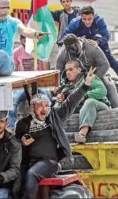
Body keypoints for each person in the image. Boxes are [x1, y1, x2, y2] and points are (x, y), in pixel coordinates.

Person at [13, 67, 96, 199]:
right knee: (15, 186)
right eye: (40, 105)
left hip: (49, 162)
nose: (44, 108)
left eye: (46, 105)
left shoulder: (54, 117)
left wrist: (85, 85)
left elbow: (70, 103)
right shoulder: (23, 124)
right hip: (27, 162)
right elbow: (14, 145)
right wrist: (21, 143)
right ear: (32, 107)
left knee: (32, 175)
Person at [60, 6, 118, 89]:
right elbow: (64, 36)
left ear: (94, 16)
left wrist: (98, 42)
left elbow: (106, 36)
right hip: (82, 46)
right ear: (80, 17)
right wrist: (75, 42)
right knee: (76, 64)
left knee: (111, 61)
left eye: (90, 19)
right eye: (84, 19)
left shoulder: (99, 21)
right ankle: (71, 84)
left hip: (99, 44)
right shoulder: (75, 23)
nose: (87, 22)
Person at [56, 33, 118, 108]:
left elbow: (105, 65)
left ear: (77, 43)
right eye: (71, 52)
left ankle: (117, 109)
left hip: (95, 75)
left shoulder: (92, 48)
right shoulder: (63, 52)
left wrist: (93, 79)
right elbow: (58, 70)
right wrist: (60, 84)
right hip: (75, 79)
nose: (74, 53)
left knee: (109, 85)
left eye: (75, 50)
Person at [54, 61, 110, 143]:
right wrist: (59, 101)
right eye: (66, 70)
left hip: (100, 106)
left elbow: (102, 91)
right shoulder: (65, 88)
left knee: (89, 102)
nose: (68, 72)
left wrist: (84, 96)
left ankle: (82, 134)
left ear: (79, 70)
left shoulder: (87, 78)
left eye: (70, 69)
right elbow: (57, 111)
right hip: (80, 111)